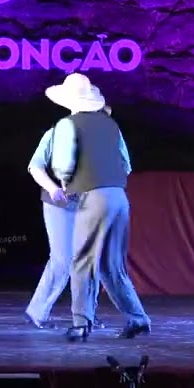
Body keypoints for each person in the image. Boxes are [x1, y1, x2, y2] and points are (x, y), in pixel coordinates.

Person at [42, 73, 151, 342]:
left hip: (92, 196)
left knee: (82, 261)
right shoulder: (111, 125)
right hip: (118, 197)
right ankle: (138, 319)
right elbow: (126, 163)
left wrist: (68, 183)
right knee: (112, 264)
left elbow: (63, 165)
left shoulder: (68, 124)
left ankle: (80, 324)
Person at [22, 103, 117, 330]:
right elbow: (35, 166)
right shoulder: (56, 134)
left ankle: (86, 315)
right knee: (63, 260)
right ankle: (38, 311)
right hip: (60, 204)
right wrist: (53, 188)